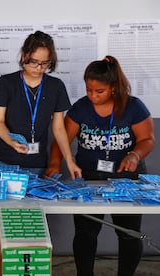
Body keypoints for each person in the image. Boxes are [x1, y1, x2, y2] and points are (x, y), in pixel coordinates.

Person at [46, 55, 155, 276]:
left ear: (113, 88)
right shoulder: (81, 109)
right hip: (89, 178)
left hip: (127, 177)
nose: (93, 96)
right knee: (86, 234)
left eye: (99, 92)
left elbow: (147, 139)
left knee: (129, 233)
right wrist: (55, 163)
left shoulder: (133, 107)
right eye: (88, 90)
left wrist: (134, 155)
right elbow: (62, 140)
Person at [0, 30, 81, 179]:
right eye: (34, 62)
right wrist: (11, 142)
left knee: (31, 202)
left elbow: (58, 128)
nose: (39, 68)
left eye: (44, 63)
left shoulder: (55, 86)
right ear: (24, 55)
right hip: (2, 160)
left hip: (36, 163)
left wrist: (70, 161)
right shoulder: (6, 83)